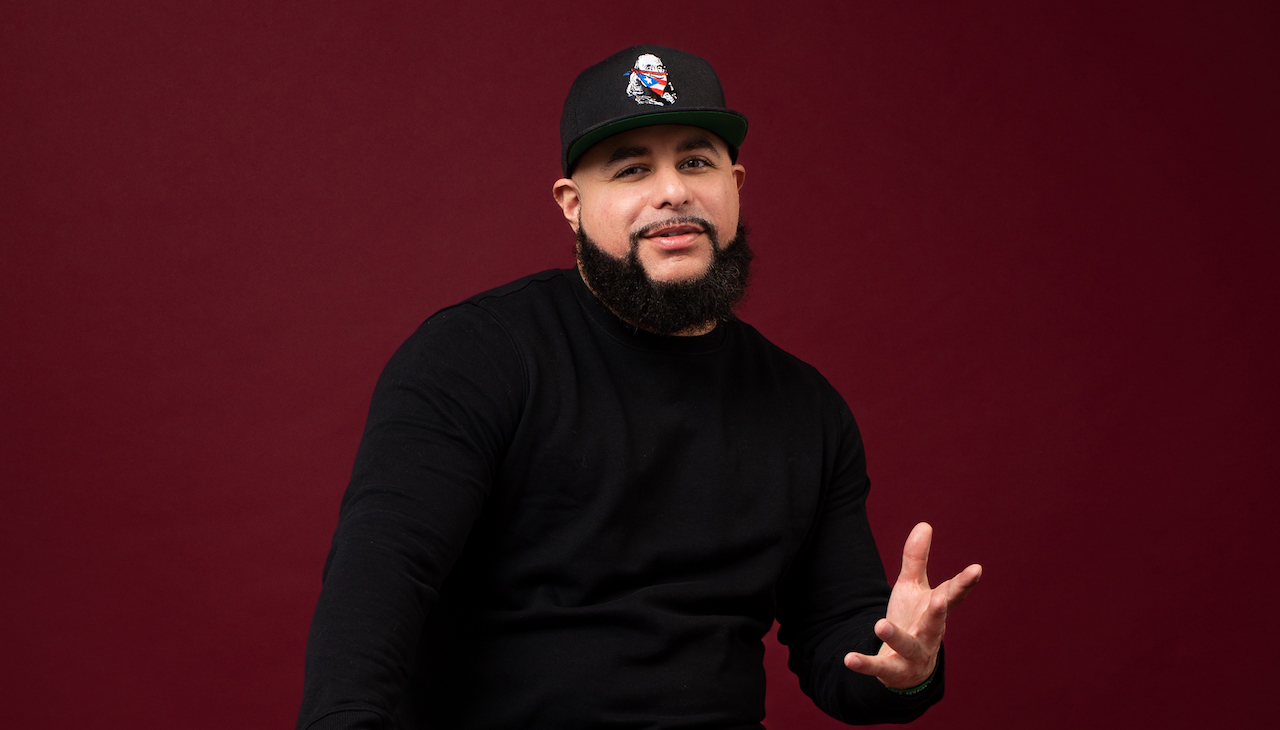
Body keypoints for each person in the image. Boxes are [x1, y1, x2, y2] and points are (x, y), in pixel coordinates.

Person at [296, 44, 981, 730]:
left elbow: (842, 645)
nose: (673, 191)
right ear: (571, 204)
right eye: (631, 169)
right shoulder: (475, 357)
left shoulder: (806, 407)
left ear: (735, 184)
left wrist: (906, 669)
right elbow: (379, 585)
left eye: (695, 162)